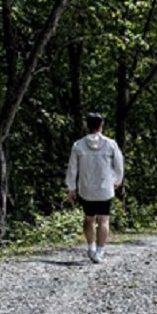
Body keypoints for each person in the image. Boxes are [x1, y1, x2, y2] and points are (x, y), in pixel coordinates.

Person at [66, 112, 124, 263]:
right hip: (105, 189)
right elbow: (119, 165)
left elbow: (72, 168)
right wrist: (116, 181)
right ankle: (100, 251)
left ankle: (91, 247)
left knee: (89, 219)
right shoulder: (111, 144)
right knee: (104, 220)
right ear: (101, 125)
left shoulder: (78, 145)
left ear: (87, 125)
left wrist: (71, 188)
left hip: (86, 189)